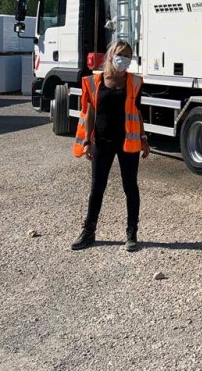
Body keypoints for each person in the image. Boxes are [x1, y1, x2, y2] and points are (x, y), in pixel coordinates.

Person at [70, 40, 149, 252]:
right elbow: (89, 113)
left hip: (127, 142)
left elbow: (137, 112)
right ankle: (88, 232)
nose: (124, 59)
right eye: (121, 54)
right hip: (102, 142)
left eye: (128, 56)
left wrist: (143, 138)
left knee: (130, 187)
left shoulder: (134, 82)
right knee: (97, 187)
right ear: (111, 54)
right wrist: (87, 141)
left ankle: (131, 234)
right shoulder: (95, 81)